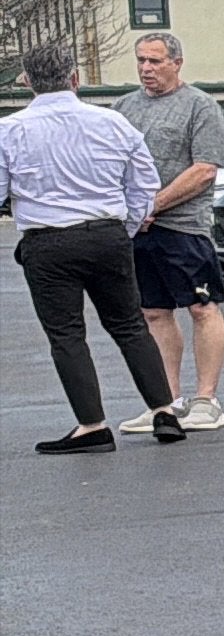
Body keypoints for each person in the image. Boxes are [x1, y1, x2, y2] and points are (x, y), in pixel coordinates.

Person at [1, 43, 183, 453]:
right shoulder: (113, 123)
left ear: (27, 81)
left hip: (47, 240)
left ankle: (91, 424)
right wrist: (129, 226)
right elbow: (143, 183)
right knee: (130, 325)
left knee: (66, 334)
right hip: (107, 234)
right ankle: (164, 410)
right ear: (75, 77)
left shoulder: (10, 129)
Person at [124, 30, 224, 431]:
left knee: (201, 308)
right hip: (139, 231)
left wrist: (153, 204)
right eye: (141, 60)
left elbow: (205, 169)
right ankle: (165, 402)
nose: (146, 69)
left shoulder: (200, 107)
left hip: (185, 229)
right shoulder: (124, 108)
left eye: (154, 61)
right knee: (153, 312)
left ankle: (207, 400)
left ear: (176, 63)